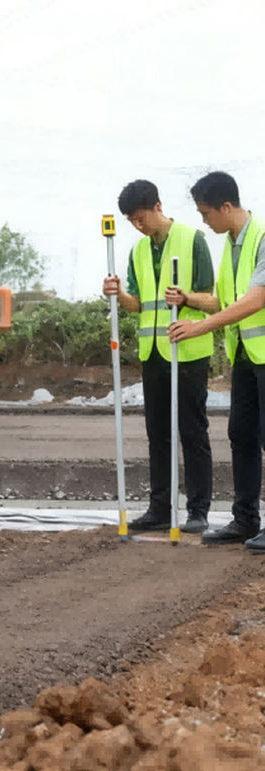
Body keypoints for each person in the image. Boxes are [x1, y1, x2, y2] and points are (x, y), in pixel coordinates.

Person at [102, 179, 217, 533]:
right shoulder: (138, 251)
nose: (138, 226)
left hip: (188, 351)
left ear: (157, 206)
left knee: (192, 432)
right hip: (153, 352)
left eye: (141, 218)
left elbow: (214, 300)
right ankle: (160, 508)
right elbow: (138, 304)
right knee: (158, 433)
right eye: (132, 221)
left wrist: (186, 298)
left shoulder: (193, 239)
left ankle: (198, 511)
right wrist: (118, 294)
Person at [169, 171, 265, 550]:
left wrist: (201, 327)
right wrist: (188, 300)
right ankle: (245, 520)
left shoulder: (262, 237)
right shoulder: (231, 245)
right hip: (245, 356)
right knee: (241, 434)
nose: (204, 221)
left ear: (226, 206)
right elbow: (225, 302)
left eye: (206, 213)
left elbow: (257, 298)